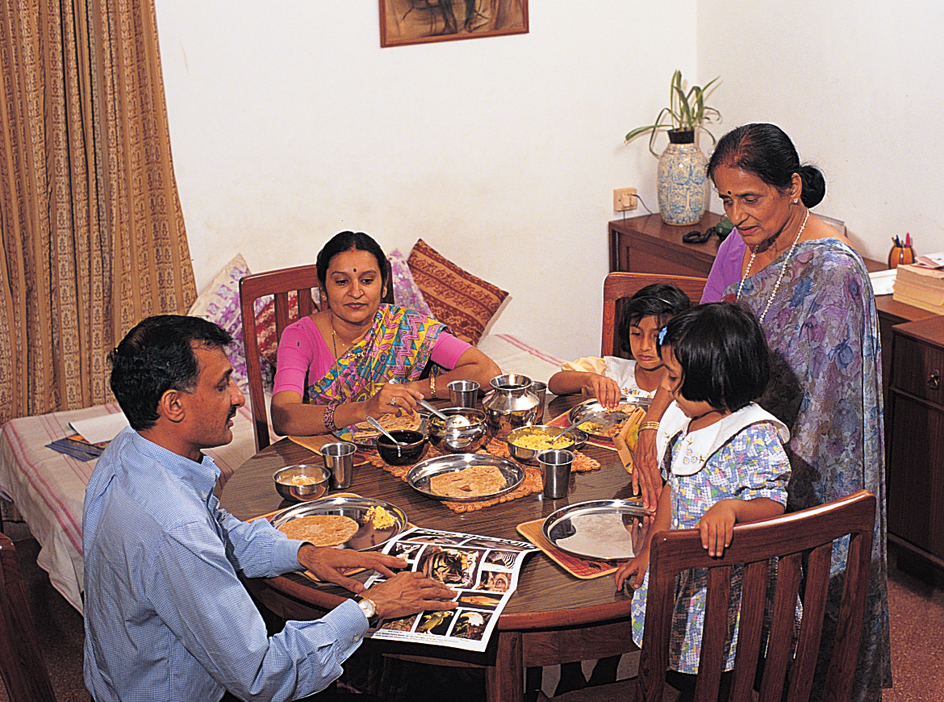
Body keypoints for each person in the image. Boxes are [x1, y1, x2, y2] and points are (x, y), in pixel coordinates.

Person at [633, 123, 891, 701]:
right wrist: (659, 430)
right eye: (727, 200)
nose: (737, 215)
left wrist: (752, 472)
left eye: (750, 198)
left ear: (792, 187)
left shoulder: (834, 271)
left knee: (800, 653)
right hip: (731, 452)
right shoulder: (738, 247)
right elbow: (694, 354)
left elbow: (830, 422)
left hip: (794, 476)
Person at [83, 315, 457, 702]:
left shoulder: (129, 448)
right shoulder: (177, 528)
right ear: (173, 404)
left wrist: (303, 553)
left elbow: (219, 531)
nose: (239, 398)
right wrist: (370, 607)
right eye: (221, 384)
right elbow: (263, 675)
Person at [615, 303, 791, 693]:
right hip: (689, 577)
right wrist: (650, 550)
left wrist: (732, 508)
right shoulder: (690, 421)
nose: (669, 390)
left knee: (725, 667)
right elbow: (673, 491)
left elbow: (774, 504)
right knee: (688, 666)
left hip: (733, 589)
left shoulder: (753, 434)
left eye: (676, 380)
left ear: (718, 382)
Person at [271, 231, 502, 436]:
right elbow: (283, 417)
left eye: (367, 280)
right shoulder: (300, 336)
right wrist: (364, 409)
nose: (355, 292)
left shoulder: (405, 326)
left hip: (398, 446)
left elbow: (486, 372)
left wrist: (411, 390)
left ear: (383, 286)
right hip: (330, 457)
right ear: (322, 288)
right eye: (342, 282)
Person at [547, 283, 691, 406]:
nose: (644, 346)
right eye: (636, 334)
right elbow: (555, 383)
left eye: (656, 336)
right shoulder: (610, 371)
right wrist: (589, 379)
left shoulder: (689, 381)